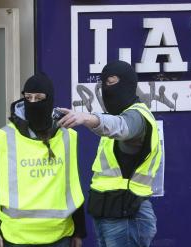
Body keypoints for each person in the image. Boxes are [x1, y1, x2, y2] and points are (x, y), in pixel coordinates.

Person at [58, 60, 162, 247]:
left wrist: (86, 118)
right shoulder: (121, 116)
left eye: (112, 82)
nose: (107, 89)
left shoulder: (137, 117)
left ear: (129, 84)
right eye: (104, 83)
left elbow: (120, 127)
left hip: (127, 216)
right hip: (111, 214)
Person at [0, 74, 86, 247]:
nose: (33, 102)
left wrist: (79, 232)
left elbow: (72, 187)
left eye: (39, 98)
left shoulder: (67, 137)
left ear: (50, 99)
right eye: (28, 97)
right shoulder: (3, 138)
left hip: (59, 236)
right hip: (16, 237)